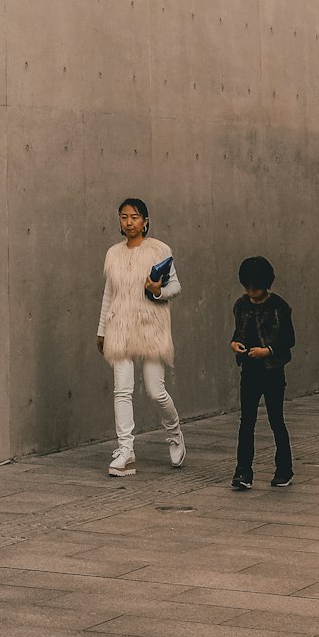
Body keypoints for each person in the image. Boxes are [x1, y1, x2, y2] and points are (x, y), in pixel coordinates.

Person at [96, 197, 185, 474]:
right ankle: (126, 449)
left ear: (145, 220)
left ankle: (175, 433)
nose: (129, 222)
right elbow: (109, 294)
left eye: (134, 217)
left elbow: (176, 287)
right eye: (123, 217)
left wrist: (157, 290)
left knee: (155, 391)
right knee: (122, 390)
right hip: (119, 326)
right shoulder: (113, 253)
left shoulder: (159, 250)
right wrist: (101, 331)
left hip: (150, 326)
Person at [230, 255, 295, 490]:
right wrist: (235, 344)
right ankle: (243, 472)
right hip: (249, 370)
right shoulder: (241, 305)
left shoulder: (279, 307)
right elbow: (239, 333)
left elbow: (289, 339)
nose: (251, 293)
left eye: (255, 288)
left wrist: (267, 351)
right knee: (246, 422)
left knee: (276, 420)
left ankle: (284, 469)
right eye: (247, 288)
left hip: (273, 372)